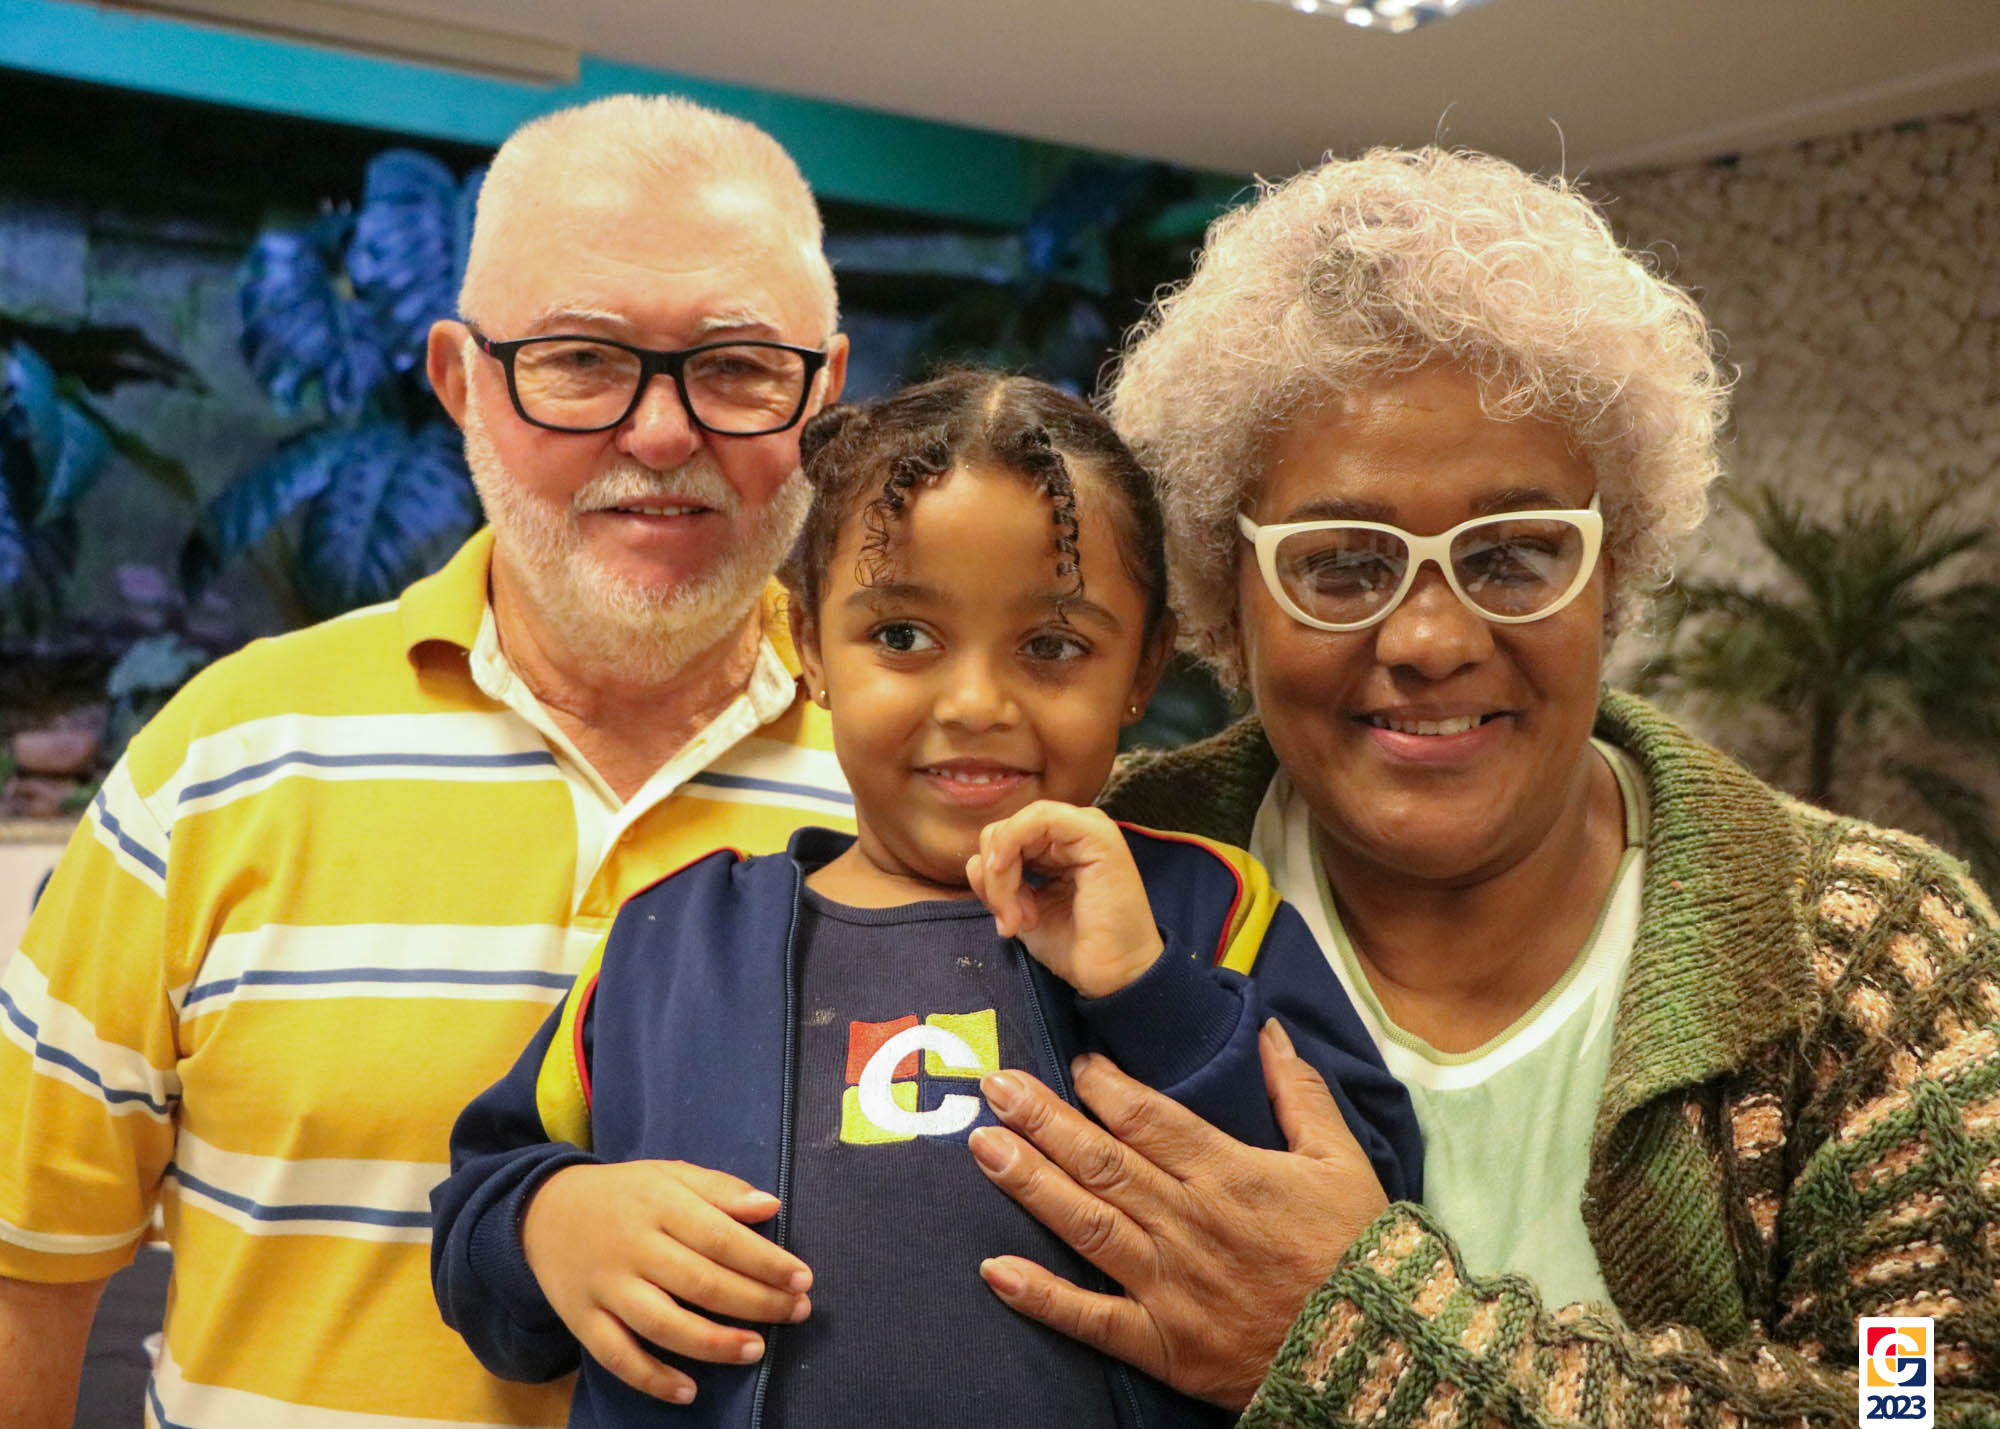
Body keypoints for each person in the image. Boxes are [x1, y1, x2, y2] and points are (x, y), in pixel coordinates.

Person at [961, 147, 2000, 1425]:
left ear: (1611, 574)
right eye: (1342, 564)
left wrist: (1364, 1347)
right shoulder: (1077, 881)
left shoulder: (1864, 952)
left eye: (1511, 556)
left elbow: (1915, 1401)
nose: (1430, 639)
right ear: (1226, 589)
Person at [0, 93, 854, 1429]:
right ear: (459, 381)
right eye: (582, 358)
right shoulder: (220, 766)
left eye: (739, 366)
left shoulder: (931, 788)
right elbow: (25, 1272)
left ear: (825, 395)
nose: (661, 432)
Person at [430, 370, 1423, 1429]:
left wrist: (1150, 994)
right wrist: (551, 1223)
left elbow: (1366, 1222)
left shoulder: (1207, 910)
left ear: (1142, 669)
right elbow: (479, 1216)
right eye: (902, 636)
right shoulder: (673, 942)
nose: (976, 703)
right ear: (810, 646)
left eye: (1052, 646)